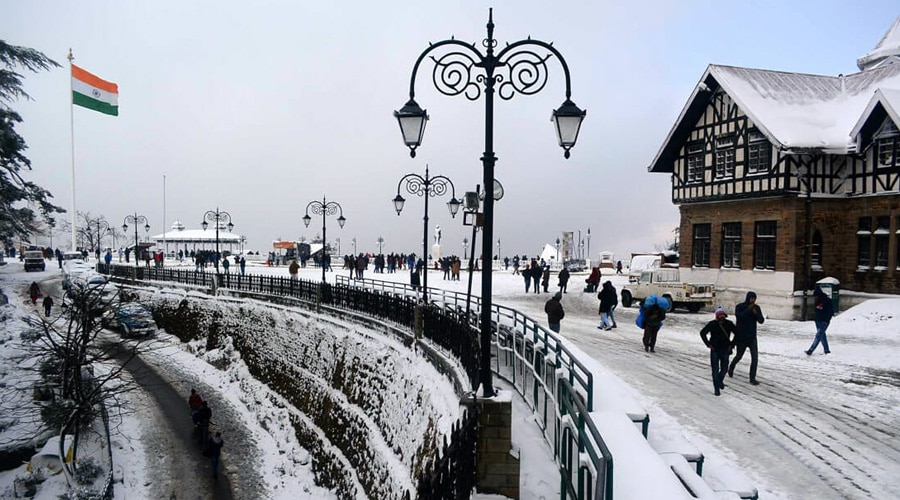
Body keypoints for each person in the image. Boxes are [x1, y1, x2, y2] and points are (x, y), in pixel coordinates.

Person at [729, 291, 764, 385]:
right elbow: (739, 317)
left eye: (754, 298)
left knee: (755, 358)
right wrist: (748, 310)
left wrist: (756, 314)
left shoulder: (756, 308)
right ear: (748, 298)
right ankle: (731, 367)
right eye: (751, 298)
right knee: (739, 356)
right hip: (741, 336)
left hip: (752, 337)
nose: (753, 300)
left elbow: (761, 320)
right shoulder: (740, 307)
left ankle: (752, 378)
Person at [700, 307, 736, 396]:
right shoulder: (712, 324)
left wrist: (731, 344)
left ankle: (719, 381)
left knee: (724, 369)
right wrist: (708, 344)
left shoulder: (729, 324)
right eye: (720, 315)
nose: (722, 316)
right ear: (717, 316)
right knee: (715, 370)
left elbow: (737, 334)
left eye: (723, 314)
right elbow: (702, 333)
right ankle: (716, 389)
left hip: (725, 349)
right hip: (715, 349)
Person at [806, 286, 834, 355]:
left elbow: (830, 311)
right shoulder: (818, 300)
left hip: (824, 321)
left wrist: (826, 319)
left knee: (818, 335)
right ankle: (826, 350)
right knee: (822, 335)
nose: (815, 298)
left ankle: (811, 350)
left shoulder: (826, 301)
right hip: (818, 320)